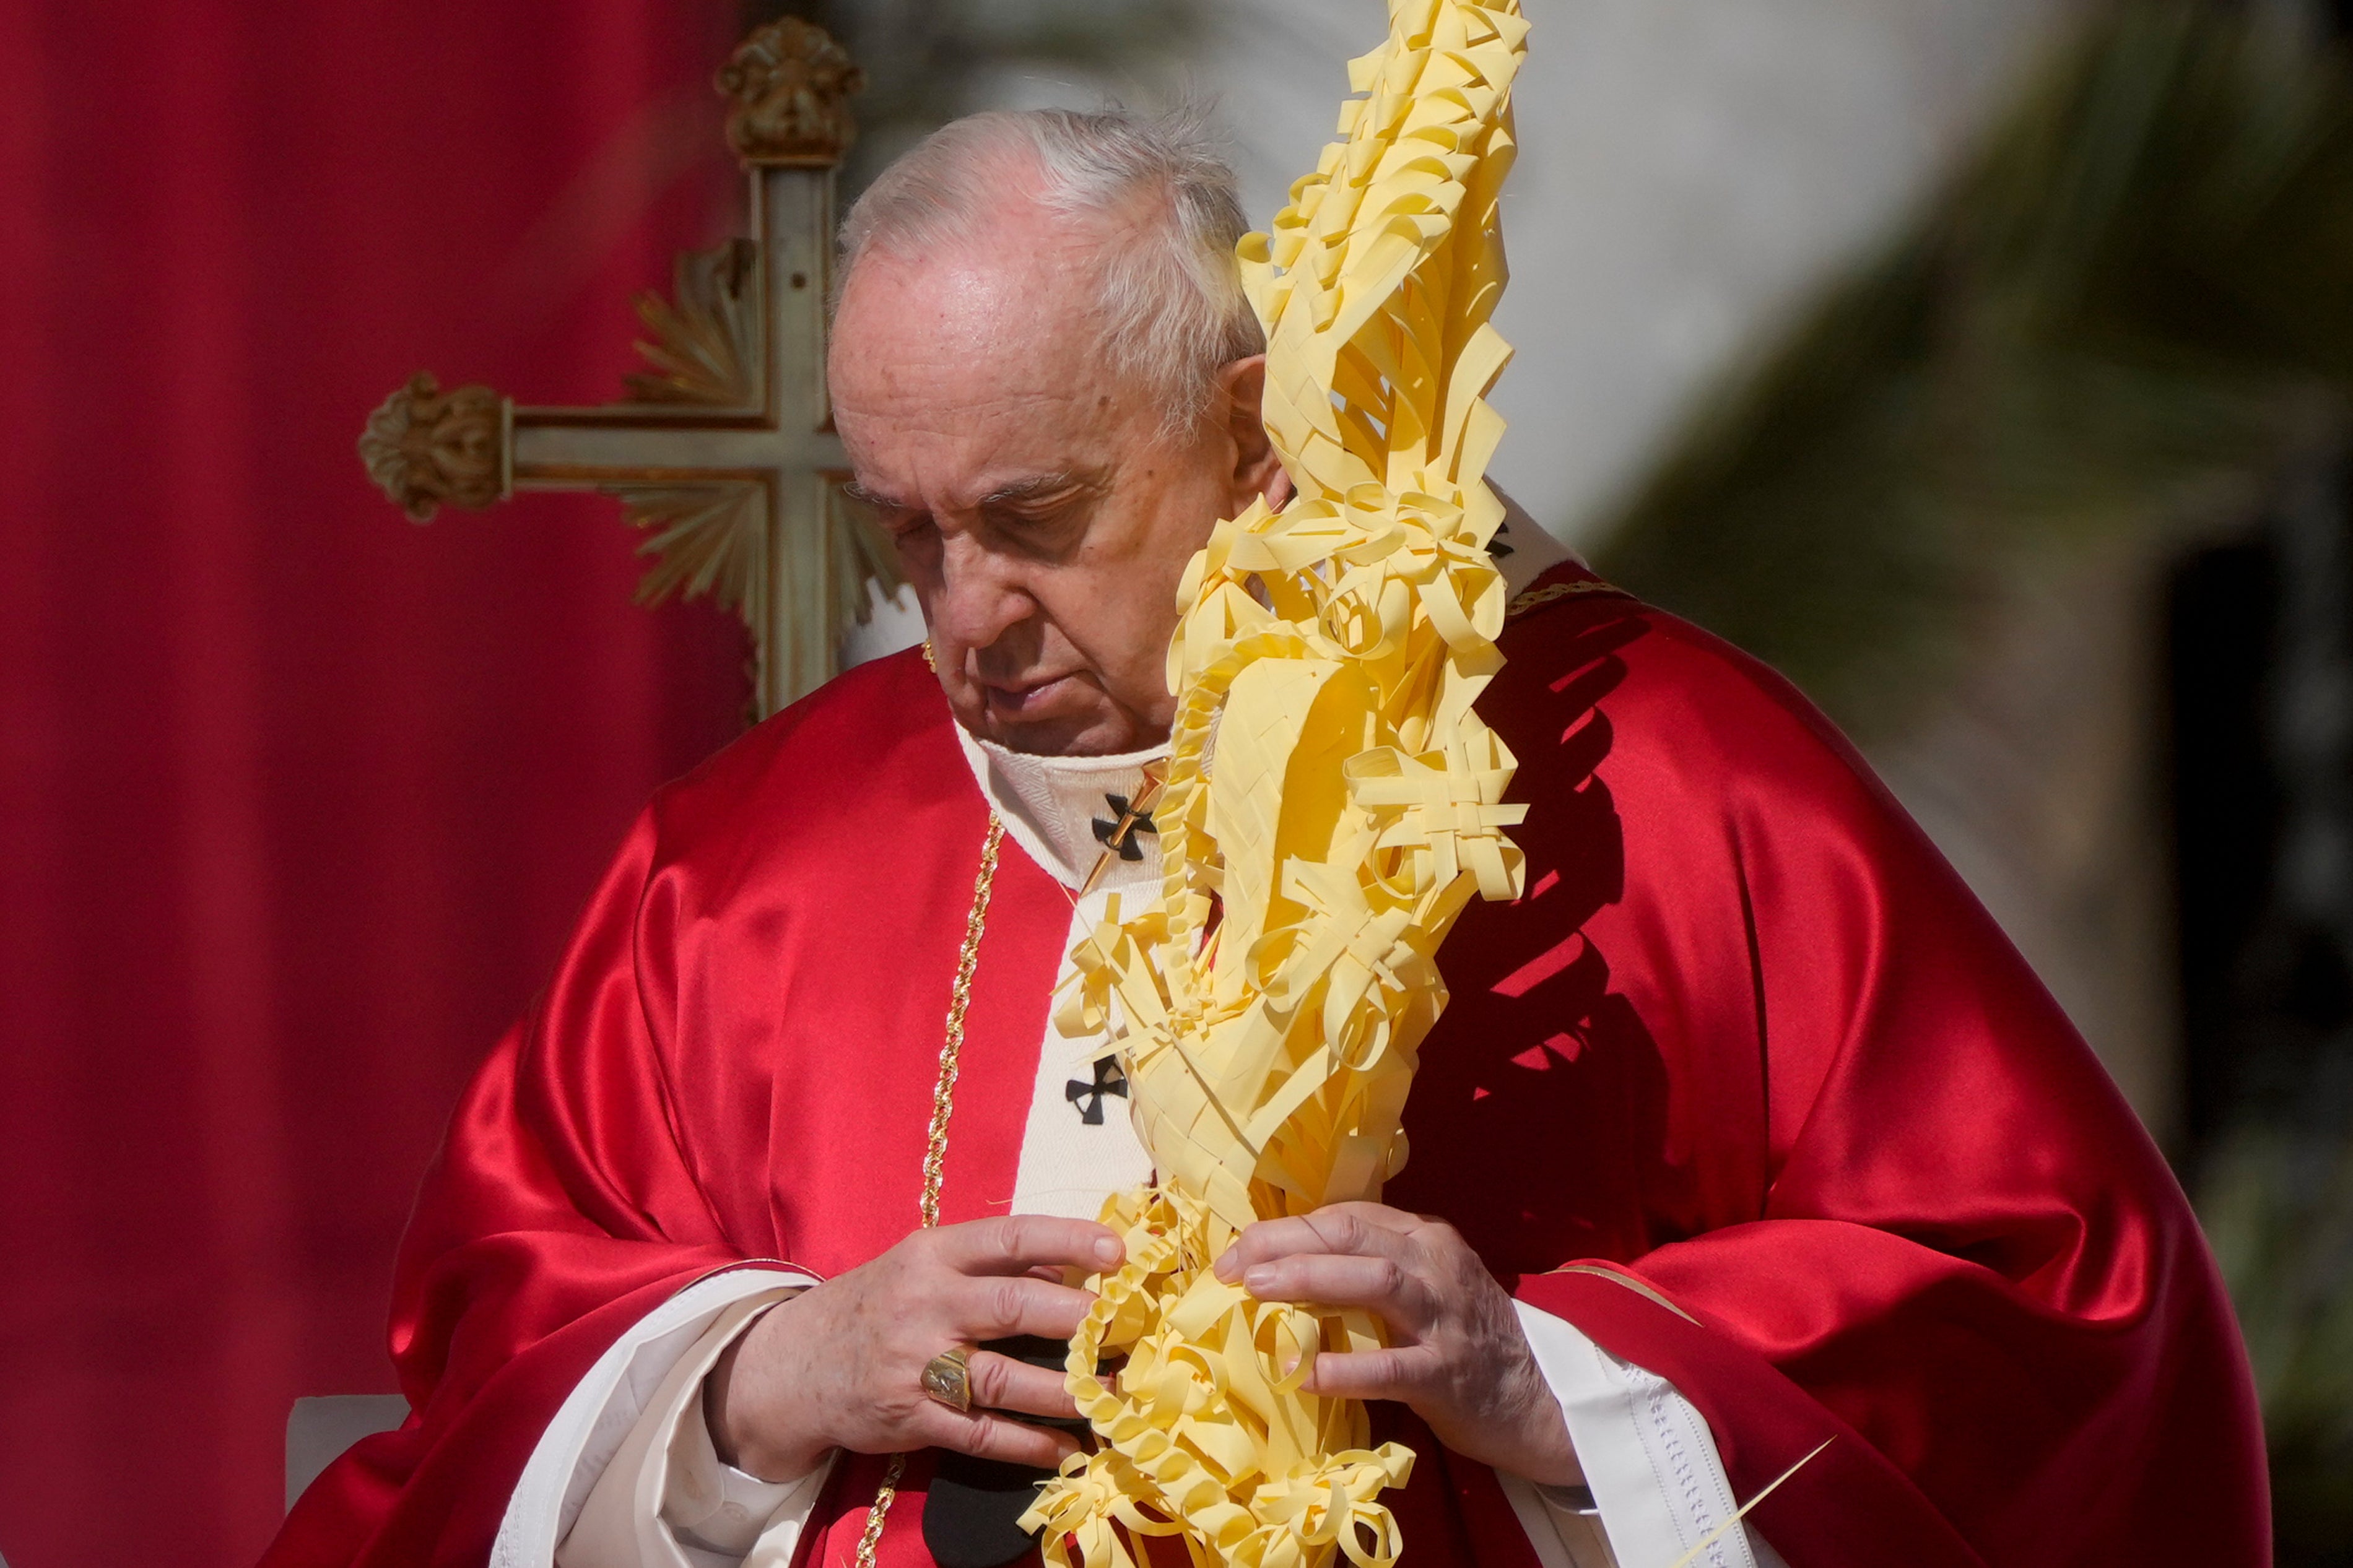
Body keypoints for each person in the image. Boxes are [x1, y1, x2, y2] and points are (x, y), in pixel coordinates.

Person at [263, 108, 2268, 1568]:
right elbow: (483, 1354)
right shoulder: (744, 880)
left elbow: (2062, 1316)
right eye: (906, 531)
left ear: (1246, 431)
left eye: (1035, 521)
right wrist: (765, 1374)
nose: (960, 617)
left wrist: (1557, 1388)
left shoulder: (1655, 785)